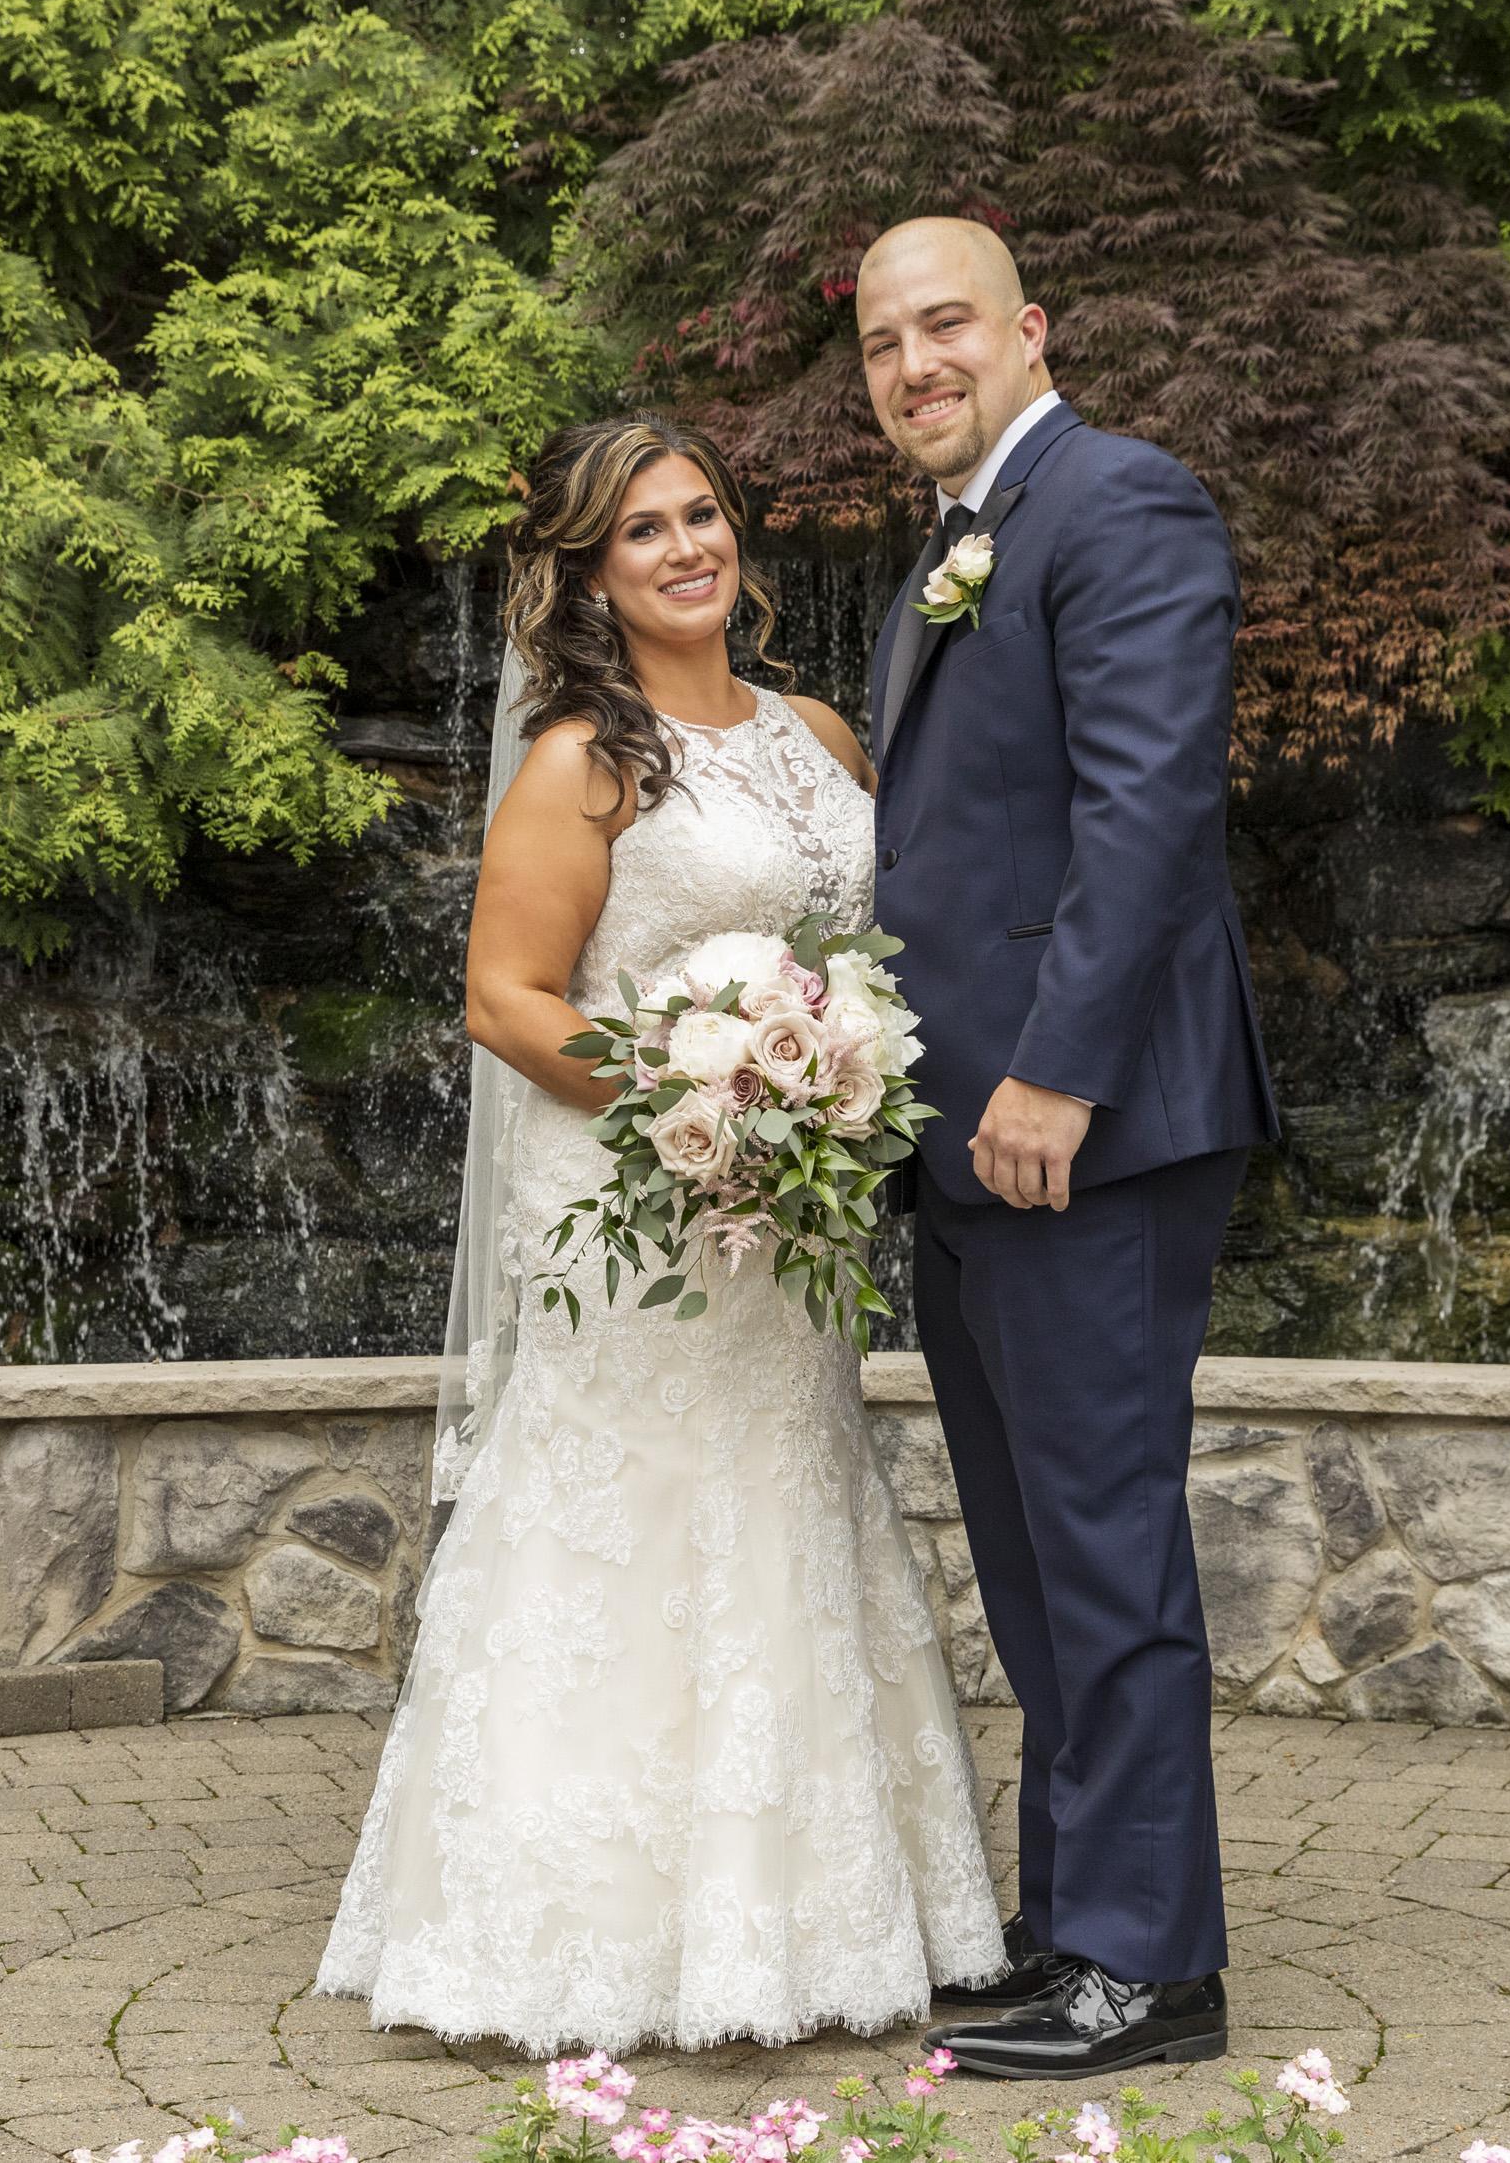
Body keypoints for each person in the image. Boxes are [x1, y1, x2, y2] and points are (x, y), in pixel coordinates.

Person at [313, 416, 1005, 2054]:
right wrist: (706, 1102)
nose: (687, 547)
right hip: (639, 1211)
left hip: (786, 1221)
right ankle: (570, 1942)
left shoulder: (819, 735)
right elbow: (506, 998)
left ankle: (804, 1925)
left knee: (785, 1510)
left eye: (702, 514)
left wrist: (819, 1092)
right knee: (622, 1534)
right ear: (588, 573)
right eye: (643, 530)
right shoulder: (583, 760)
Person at [858, 217, 1285, 2080]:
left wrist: (1054, 1074)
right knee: (1037, 1556)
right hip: (972, 1142)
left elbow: (1149, 810)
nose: (915, 365)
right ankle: (1071, 1928)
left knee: (1103, 1547)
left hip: (1078, 1131)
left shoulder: (1121, 502)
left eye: (945, 323)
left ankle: (1151, 1970)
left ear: (1029, 329)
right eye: (884, 344)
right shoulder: (954, 550)